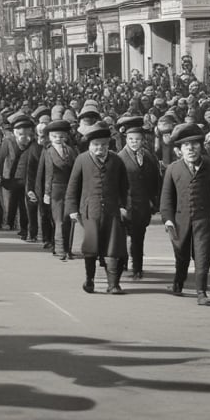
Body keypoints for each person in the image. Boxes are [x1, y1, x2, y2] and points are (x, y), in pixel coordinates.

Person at [160, 122, 210, 305]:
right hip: (179, 221)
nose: (191, 149)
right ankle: (178, 282)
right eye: (186, 146)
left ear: (200, 147)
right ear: (180, 149)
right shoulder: (173, 169)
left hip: (204, 219)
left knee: (202, 255)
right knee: (181, 255)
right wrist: (168, 220)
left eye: (195, 145)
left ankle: (201, 292)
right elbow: (166, 199)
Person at [65, 121, 129, 294]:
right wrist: (72, 209)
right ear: (90, 145)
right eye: (95, 145)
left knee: (113, 247)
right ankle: (90, 280)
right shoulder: (81, 159)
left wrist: (124, 207)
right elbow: (73, 186)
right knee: (91, 247)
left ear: (108, 145)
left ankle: (113, 284)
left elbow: (125, 187)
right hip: (90, 211)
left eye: (103, 145)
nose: (99, 148)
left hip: (112, 210)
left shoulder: (116, 160)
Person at [117, 118, 160, 280]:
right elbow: (115, 184)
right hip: (126, 204)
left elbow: (156, 180)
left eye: (138, 139)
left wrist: (153, 201)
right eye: (131, 139)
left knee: (139, 237)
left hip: (143, 205)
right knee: (125, 237)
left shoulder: (148, 157)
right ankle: (125, 266)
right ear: (126, 140)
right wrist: (119, 205)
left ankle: (138, 268)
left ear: (143, 141)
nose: (134, 142)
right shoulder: (120, 157)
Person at [37, 119, 76, 261]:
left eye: (61, 136)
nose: (58, 139)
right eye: (55, 136)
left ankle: (68, 248)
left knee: (68, 219)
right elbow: (48, 173)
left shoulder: (71, 151)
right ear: (50, 137)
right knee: (59, 220)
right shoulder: (48, 151)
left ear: (65, 136)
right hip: (55, 188)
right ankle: (60, 249)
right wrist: (46, 193)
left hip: (69, 187)